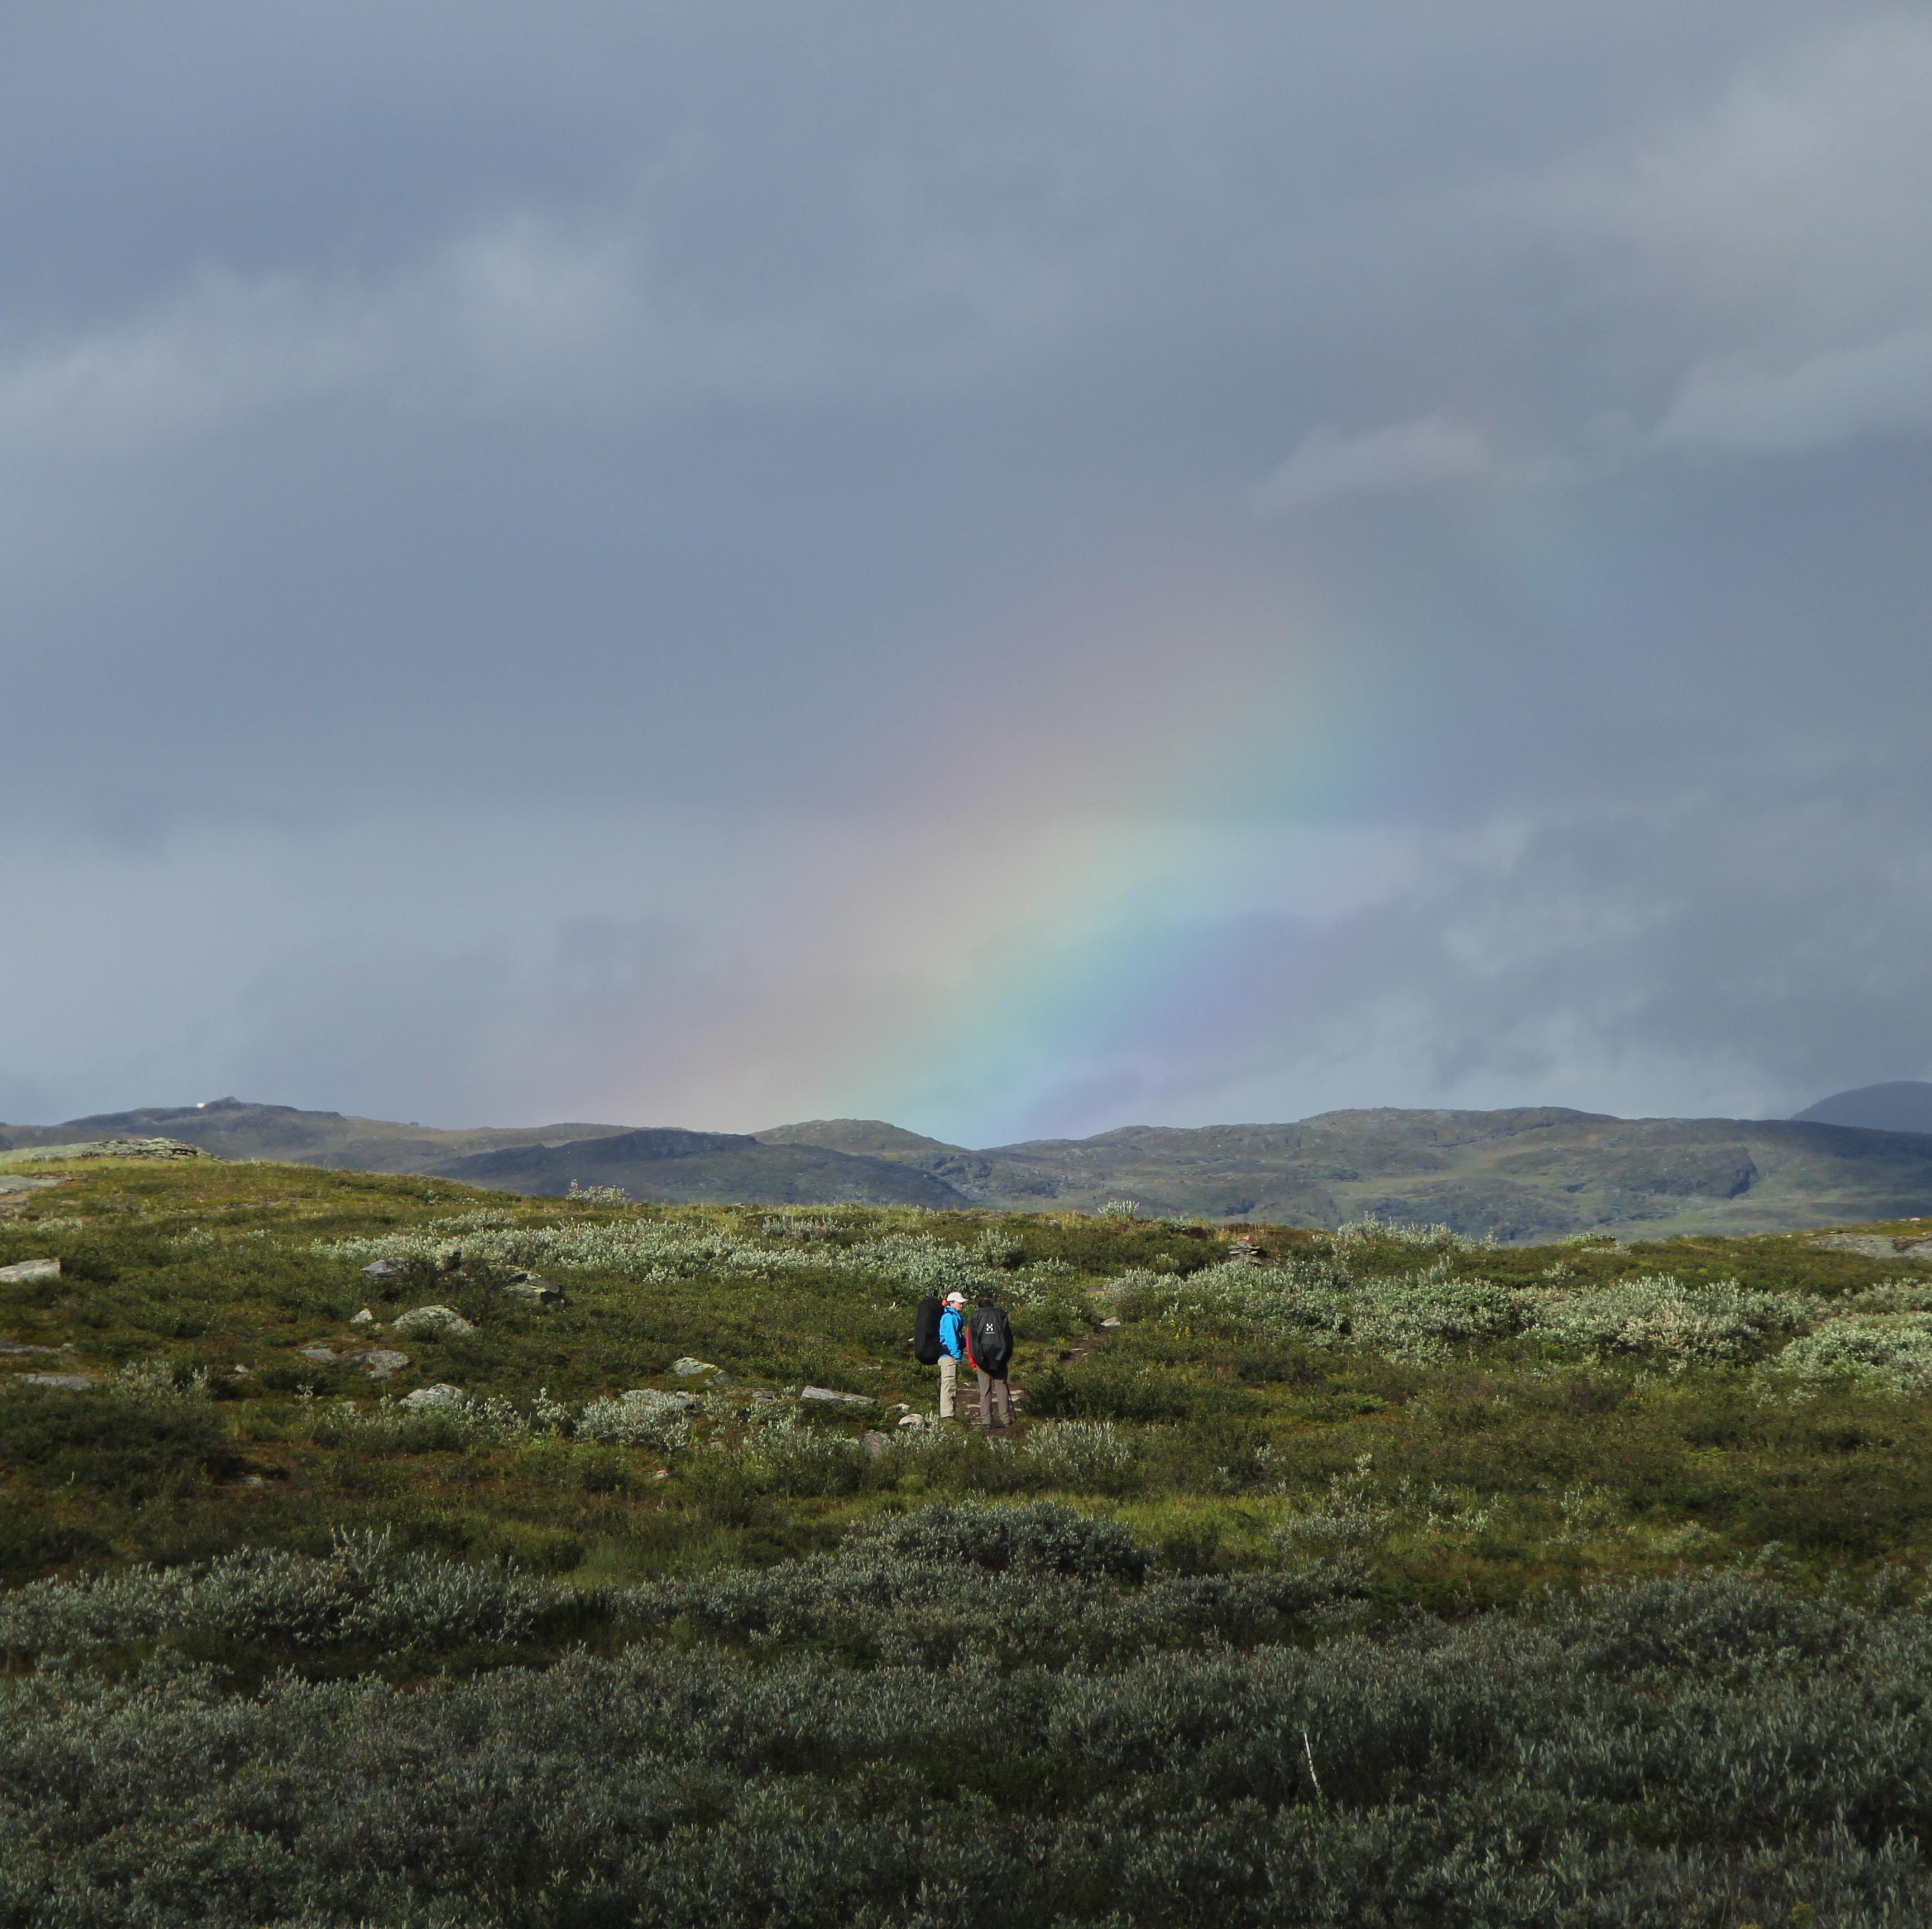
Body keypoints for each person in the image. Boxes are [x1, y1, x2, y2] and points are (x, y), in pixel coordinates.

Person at [968, 1292, 1014, 1428]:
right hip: (1001, 1357)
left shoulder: (976, 1316)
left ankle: (986, 1421)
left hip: (982, 1359)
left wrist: (978, 1359)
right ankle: (1006, 1419)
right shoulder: (1001, 1314)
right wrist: (1005, 1357)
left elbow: (972, 1340)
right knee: (1002, 1387)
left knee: (985, 1391)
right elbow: (1008, 1337)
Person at [937, 1290, 968, 1419]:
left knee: (950, 1383)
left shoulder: (952, 1316)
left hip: (948, 1355)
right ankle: (947, 1414)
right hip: (949, 1356)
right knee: (949, 1383)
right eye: (960, 1303)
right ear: (952, 1303)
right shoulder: (950, 1317)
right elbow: (951, 1338)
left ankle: (950, 1413)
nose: (962, 1305)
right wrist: (957, 1356)